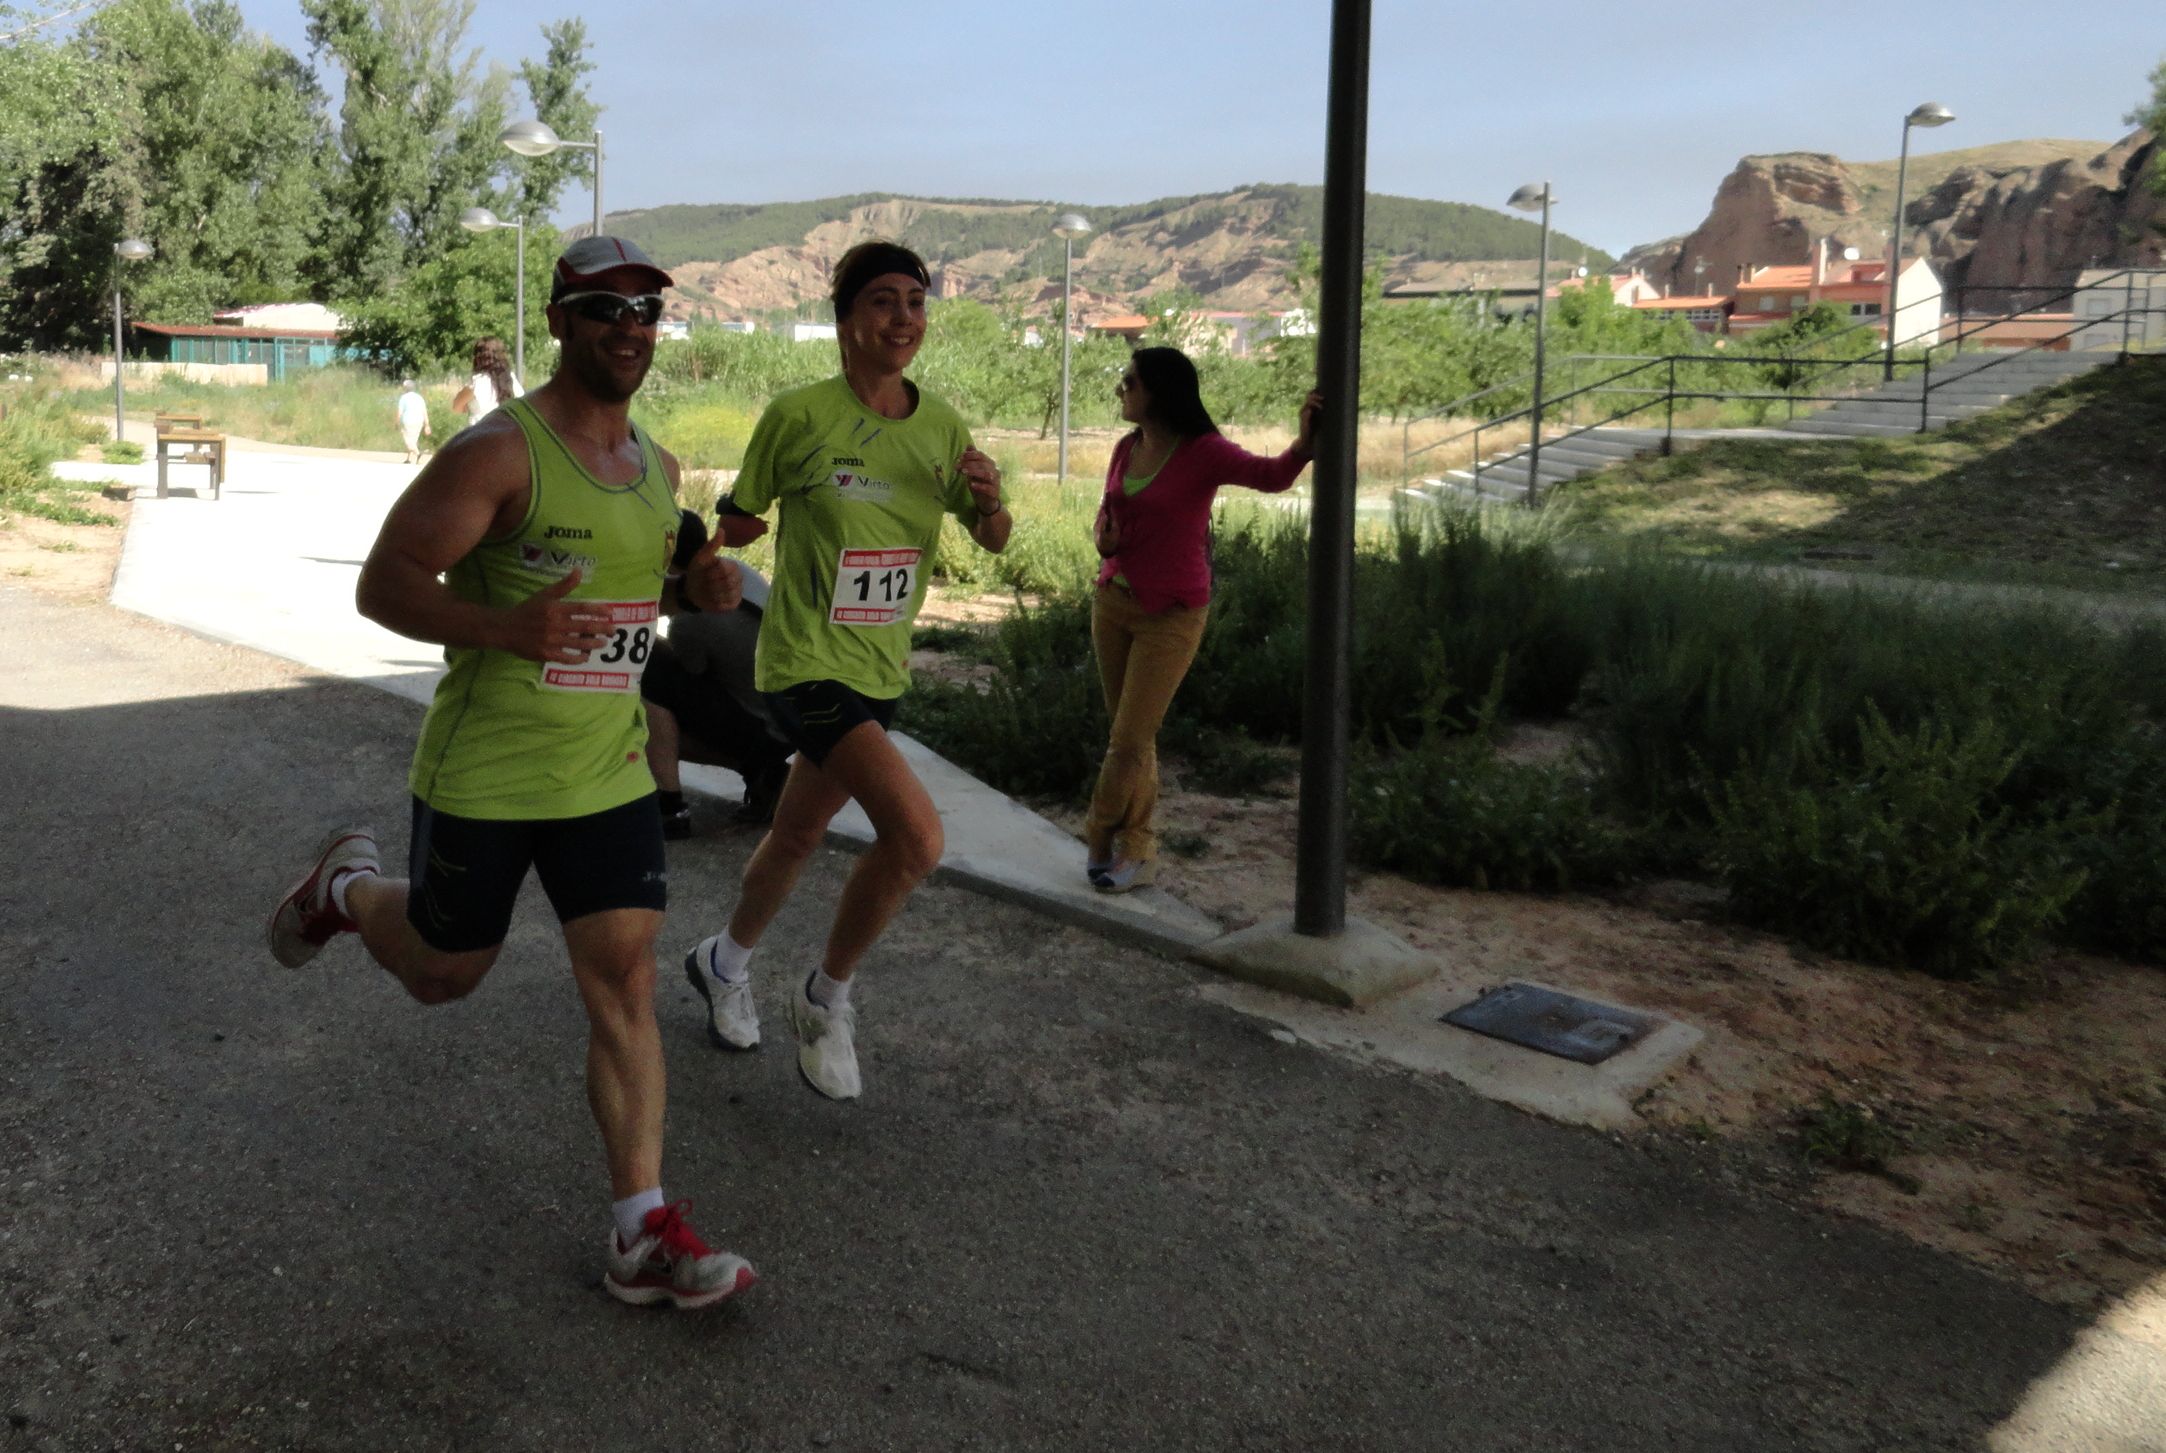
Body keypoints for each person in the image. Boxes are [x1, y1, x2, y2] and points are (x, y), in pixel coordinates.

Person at [262, 235, 758, 1311]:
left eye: (646, 310)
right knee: (444, 974)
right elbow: (384, 584)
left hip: (607, 772)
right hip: (486, 769)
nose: (629, 327)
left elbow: (636, 591)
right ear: (562, 321)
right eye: (604, 308)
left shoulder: (660, 467)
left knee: (625, 978)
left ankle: (640, 1229)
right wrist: (504, 627)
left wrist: (698, 590)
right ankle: (347, 887)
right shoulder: (499, 452)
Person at [680, 239, 1010, 1096]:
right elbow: (742, 518)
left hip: (879, 668)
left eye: (916, 302)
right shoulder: (799, 416)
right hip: (803, 662)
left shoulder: (942, 427)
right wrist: (704, 562)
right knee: (917, 838)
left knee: (796, 833)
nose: (904, 318)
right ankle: (825, 997)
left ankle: (723, 961)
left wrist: (991, 502)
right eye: (883, 301)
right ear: (844, 320)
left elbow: (993, 538)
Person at [1086, 347, 1321, 892]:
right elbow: (1108, 511)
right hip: (1113, 603)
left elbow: (1270, 476)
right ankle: (1138, 849)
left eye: (1130, 382)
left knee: (1128, 739)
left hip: (1171, 614)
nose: (1121, 390)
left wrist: (1303, 446)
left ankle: (1098, 835)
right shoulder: (1126, 447)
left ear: (1159, 392)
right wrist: (1104, 538)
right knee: (1132, 737)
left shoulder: (1203, 452)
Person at [645, 508, 793, 839]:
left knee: (646, 675)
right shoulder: (736, 571)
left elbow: (687, 678)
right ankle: (766, 773)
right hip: (790, 718)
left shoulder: (689, 618)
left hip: (764, 730)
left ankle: (668, 805)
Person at [463, 335, 523, 421]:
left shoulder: (476, 381)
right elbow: (521, 403)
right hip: (506, 426)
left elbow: (457, 406)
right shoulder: (511, 378)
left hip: (481, 428)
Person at [395, 377, 431, 464]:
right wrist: (427, 425)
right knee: (413, 440)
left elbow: (399, 412)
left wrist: (396, 422)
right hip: (419, 422)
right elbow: (424, 411)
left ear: (405, 388)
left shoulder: (403, 398)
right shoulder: (419, 398)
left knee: (408, 441)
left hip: (407, 421)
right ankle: (409, 459)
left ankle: (418, 454)